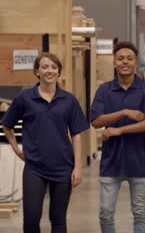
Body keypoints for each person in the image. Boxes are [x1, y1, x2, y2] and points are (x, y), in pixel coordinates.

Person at [2, 52, 89, 233]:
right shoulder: (25, 98)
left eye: (53, 67)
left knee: (58, 219)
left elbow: (76, 135)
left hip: (63, 167)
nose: (49, 71)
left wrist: (77, 167)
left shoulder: (69, 100)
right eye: (44, 67)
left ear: (59, 72)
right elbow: (7, 125)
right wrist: (16, 149)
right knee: (32, 218)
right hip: (35, 167)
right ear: (37, 72)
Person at [90, 41, 145, 233]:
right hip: (110, 161)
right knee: (105, 212)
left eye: (129, 59)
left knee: (139, 212)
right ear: (114, 63)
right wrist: (124, 112)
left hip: (138, 161)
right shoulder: (104, 90)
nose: (125, 62)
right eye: (120, 59)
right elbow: (95, 121)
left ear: (135, 63)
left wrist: (119, 130)